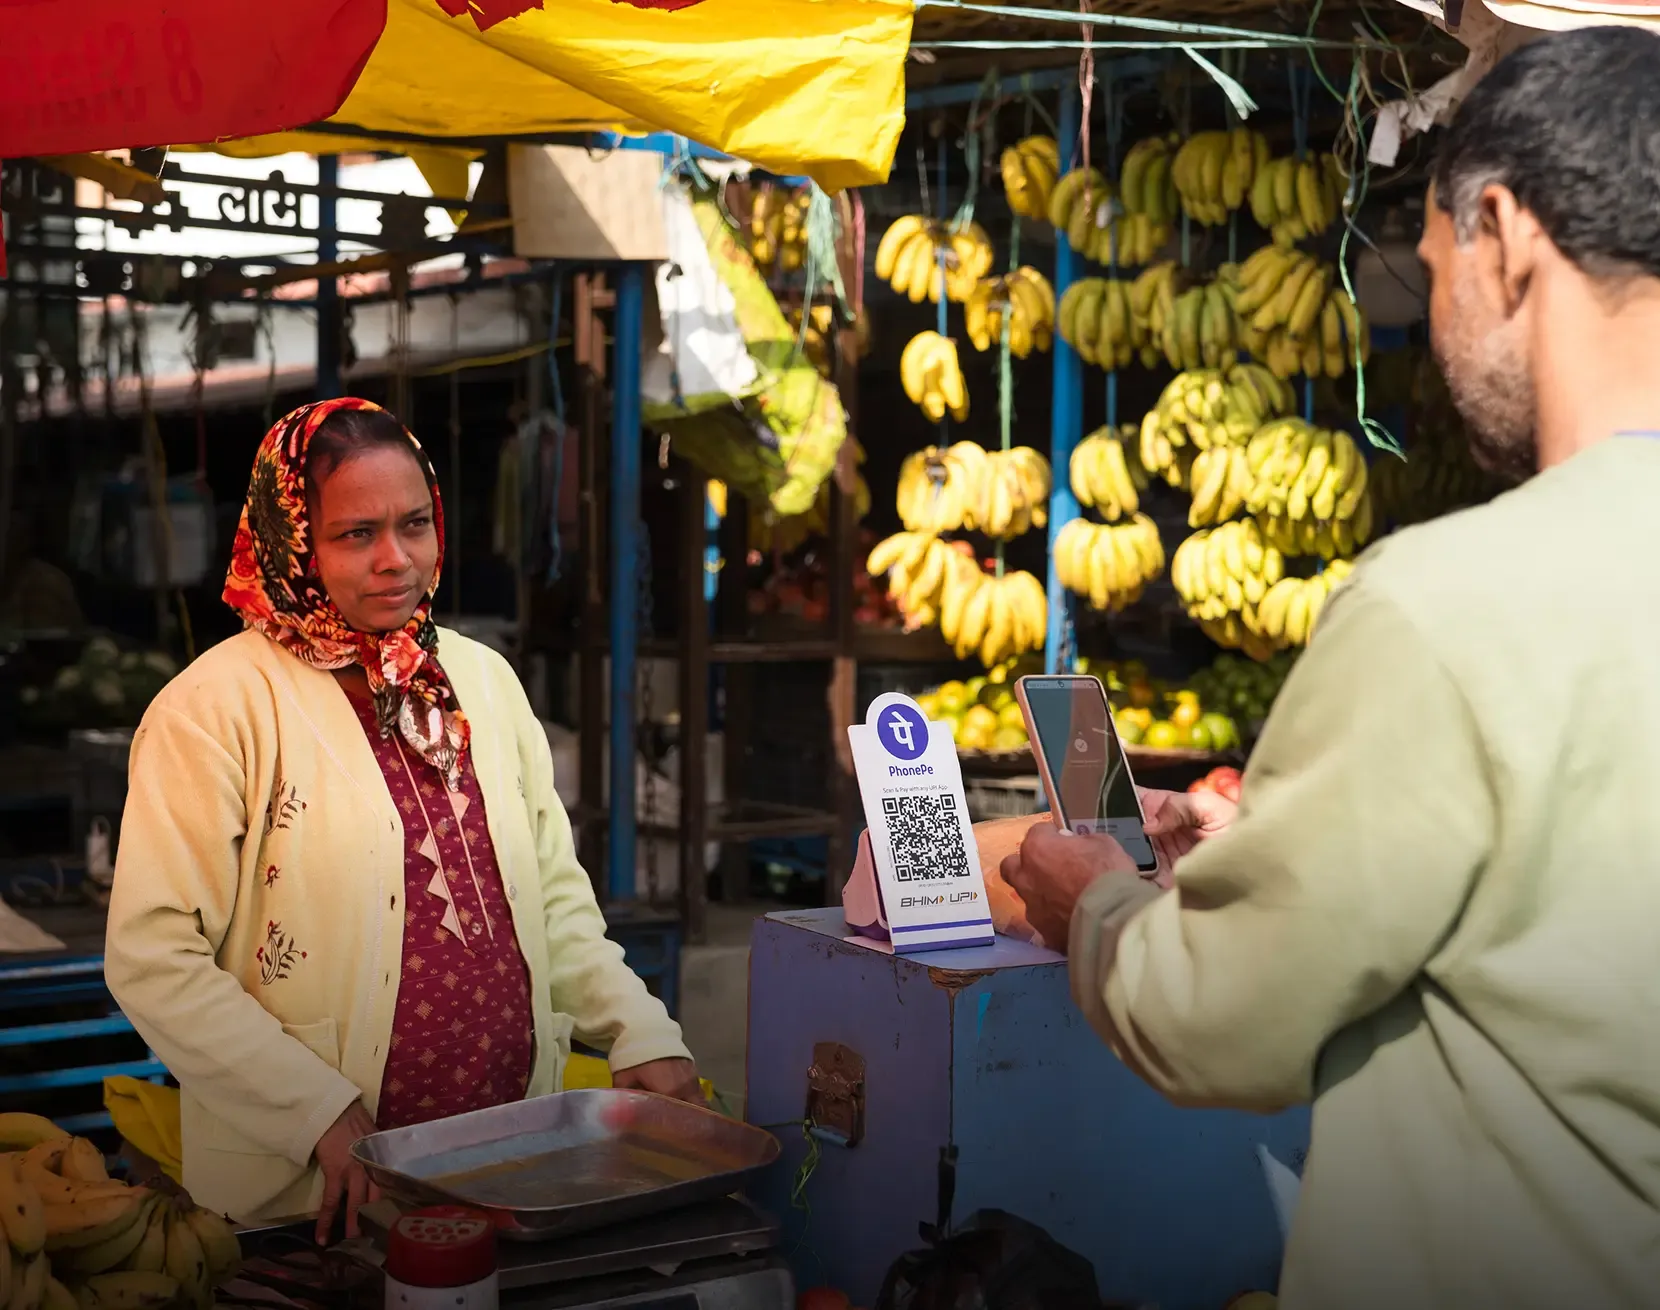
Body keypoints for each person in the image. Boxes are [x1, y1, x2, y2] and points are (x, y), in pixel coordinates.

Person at [1003, 27, 1660, 1310]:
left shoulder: (1443, 602)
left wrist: (1092, 896)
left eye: (1430, 269)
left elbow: (1216, 1022)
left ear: (1506, 233)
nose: (1431, 318)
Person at [105, 398, 699, 1241]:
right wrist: (316, 1112)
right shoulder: (213, 708)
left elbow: (552, 901)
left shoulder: (482, 681)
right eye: (356, 535)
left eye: (414, 524)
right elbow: (154, 956)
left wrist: (639, 1031)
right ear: (292, 538)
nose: (397, 560)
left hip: (511, 1161)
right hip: (316, 1190)